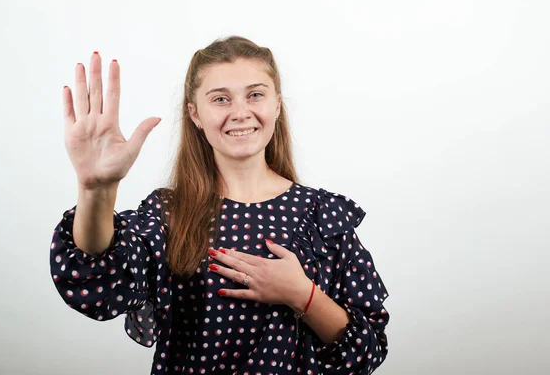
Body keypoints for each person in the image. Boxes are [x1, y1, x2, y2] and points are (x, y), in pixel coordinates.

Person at [50, 36, 390, 374]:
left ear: (276, 105)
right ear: (195, 114)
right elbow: (99, 281)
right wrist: (96, 189)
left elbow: (366, 349)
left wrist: (302, 294)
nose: (241, 112)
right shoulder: (168, 214)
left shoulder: (321, 214)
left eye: (255, 94)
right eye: (221, 99)